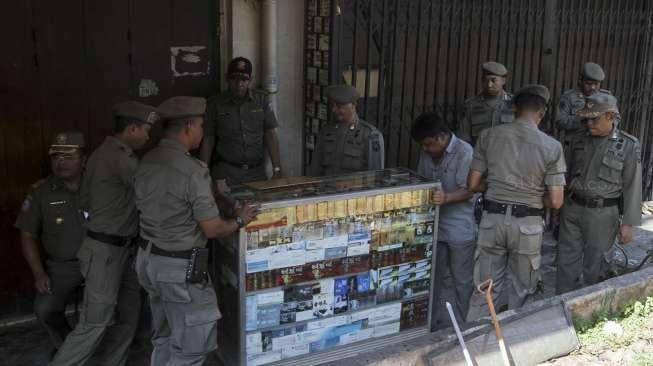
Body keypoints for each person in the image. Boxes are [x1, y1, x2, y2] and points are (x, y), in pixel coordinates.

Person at [135, 96, 258, 365]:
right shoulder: (192, 171)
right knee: (191, 348)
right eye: (201, 125)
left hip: (149, 261)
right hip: (179, 270)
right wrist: (240, 220)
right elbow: (213, 228)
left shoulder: (148, 160)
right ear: (189, 126)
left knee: (165, 336)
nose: (202, 132)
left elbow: (170, 202)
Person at [51, 101, 159, 366]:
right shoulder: (119, 157)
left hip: (121, 250)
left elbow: (85, 201)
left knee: (127, 318)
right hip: (106, 253)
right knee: (94, 324)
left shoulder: (103, 154)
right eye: (145, 130)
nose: (148, 136)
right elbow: (149, 193)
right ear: (132, 129)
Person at [466, 85, 566, 319]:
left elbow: (471, 184)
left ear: (514, 110)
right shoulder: (552, 147)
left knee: (485, 288)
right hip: (528, 225)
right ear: (541, 114)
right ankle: (517, 339)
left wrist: (497, 187)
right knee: (524, 289)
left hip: (491, 221)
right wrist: (530, 197)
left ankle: (476, 339)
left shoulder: (489, 136)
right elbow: (556, 200)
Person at [556, 93, 641, 294]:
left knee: (596, 265)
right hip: (572, 208)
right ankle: (561, 305)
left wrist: (628, 224)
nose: (589, 123)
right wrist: (558, 207)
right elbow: (565, 175)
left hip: (603, 213)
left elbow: (632, 186)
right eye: (586, 118)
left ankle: (588, 311)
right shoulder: (578, 140)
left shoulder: (628, 145)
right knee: (565, 262)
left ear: (611, 116)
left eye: (594, 118)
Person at [15, 132, 86, 357]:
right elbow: (27, 235)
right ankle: (69, 348)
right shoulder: (41, 191)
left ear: (83, 159)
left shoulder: (101, 185)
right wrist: (38, 273)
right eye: (55, 157)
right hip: (61, 267)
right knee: (45, 310)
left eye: (68, 156)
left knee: (109, 308)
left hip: (100, 262)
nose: (60, 162)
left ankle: (90, 347)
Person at [411, 112, 476, 328]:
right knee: (431, 279)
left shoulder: (465, 152)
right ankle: (429, 323)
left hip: (459, 227)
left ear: (441, 138)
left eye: (429, 144)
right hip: (434, 226)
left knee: (462, 280)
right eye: (423, 145)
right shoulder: (427, 152)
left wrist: (447, 197)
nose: (426, 149)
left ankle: (465, 324)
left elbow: (470, 190)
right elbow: (422, 182)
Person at [200, 57, 282, 184]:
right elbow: (208, 138)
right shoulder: (215, 103)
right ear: (227, 78)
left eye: (244, 79)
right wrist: (203, 172)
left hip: (256, 172)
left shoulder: (261, 100)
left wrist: (277, 169)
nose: (239, 84)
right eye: (234, 79)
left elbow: (270, 134)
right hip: (226, 172)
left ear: (251, 79)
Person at [309, 84, 385, 176]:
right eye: (333, 105)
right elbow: (315, 171)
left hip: (355, 190)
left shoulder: (370, 135)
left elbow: (376, 177)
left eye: (339, 106)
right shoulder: (326, 132)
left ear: (353, 105)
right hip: (327, 188)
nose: (334, 109)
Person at [555, 62, 620, 150]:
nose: (593, 87)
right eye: (588, 84)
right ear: (580, 81)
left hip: (600, 145)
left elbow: (616, 119)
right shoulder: (569, 97)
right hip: (575, 146)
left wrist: (602, 122)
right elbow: (560, 122)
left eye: (596, 84)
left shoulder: (606, 97)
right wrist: (583, 119)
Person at [460, 61, 514, 145]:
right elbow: (463, 138)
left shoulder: (513, 104)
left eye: (493, 80)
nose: (489, 85)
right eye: (485, 80)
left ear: (503, 81)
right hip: (479, 155)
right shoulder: (471, 105)